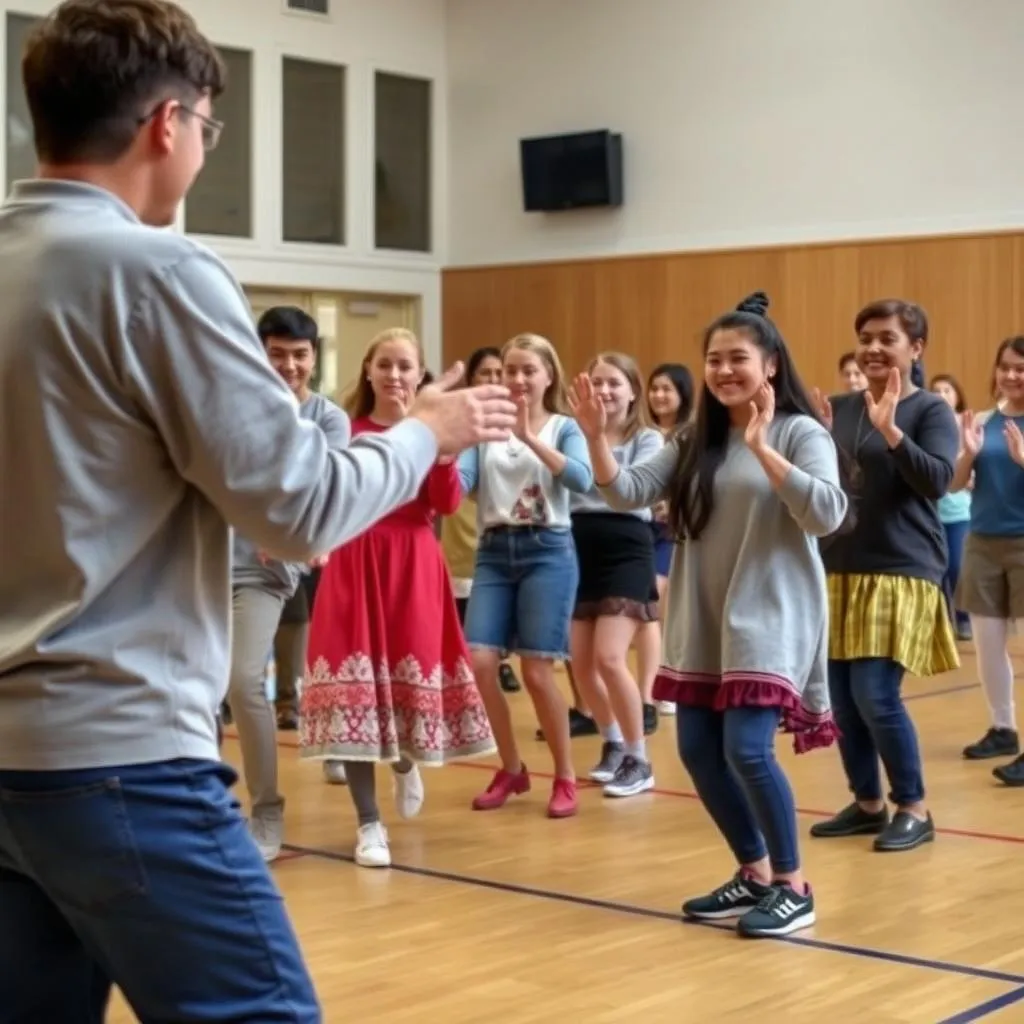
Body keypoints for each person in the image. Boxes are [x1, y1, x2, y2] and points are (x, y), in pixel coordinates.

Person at [0, 3, 516, 1021]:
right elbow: (302, 507)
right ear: (168, 123)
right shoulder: (155, 270)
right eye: (208, 128)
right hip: (120, 751)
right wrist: (423, 432)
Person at [573, 293, 847, 937]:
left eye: (738, 359)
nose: (724, 370)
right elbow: (626, 491)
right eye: (714, 360)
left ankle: (792, 885)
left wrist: (765, 450)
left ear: (771, 365)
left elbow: (828, 514)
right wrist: (594, 438)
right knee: (697, 750)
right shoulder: (695, 438)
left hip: (772, 612)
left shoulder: (800, 432)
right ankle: (751, 873)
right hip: (703, 616)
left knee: (748, 750)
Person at [303, 329, 496, 867]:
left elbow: (447, 502)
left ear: (419, 375)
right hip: (351, 563)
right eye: (384, 365)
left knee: (405, 684)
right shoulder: (347, 429)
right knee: (353, 693)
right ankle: (369, 824)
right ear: (368, 371)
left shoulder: (429, 433)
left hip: (412, 564)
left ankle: (406, 761)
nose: (393, 375)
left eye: (404, 366)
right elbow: (325, 493)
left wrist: (445, 454)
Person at [812, 299, 958, 852]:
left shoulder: (929, 411)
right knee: (843, 700)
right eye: (865, 337)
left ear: (915, 349)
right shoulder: (840, 408)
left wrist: (893, 432)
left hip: (902, 569)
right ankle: (868, 804)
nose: (873, 347)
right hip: (839, 569)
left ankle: (914, 807)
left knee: (875, 693)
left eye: (888, 338)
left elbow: (938, 481)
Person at [229, 306, 351, 862]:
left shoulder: (327, 420)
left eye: (298, 356)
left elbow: (322, 496)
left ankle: (267, 809)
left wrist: (285, 536)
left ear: (313, 358)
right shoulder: (231, 408)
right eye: (276, 354)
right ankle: (206, 810)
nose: (287, 366)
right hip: (199, 564)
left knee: (243, 681)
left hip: (265, 571)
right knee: (191, 690)